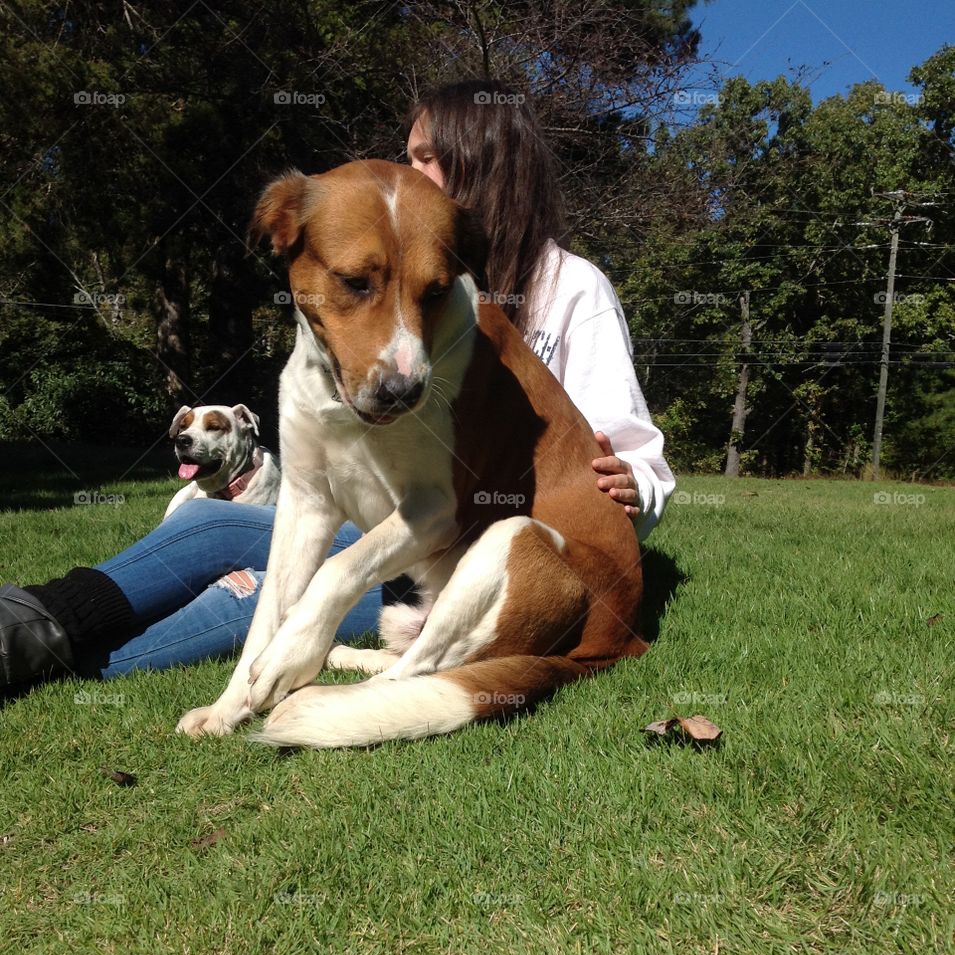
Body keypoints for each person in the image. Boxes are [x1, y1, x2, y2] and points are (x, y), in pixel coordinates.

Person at [0, 80, 675, 694]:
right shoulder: (383, 259)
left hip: (470, 558)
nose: (408, 177)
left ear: (489, 165)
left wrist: (633, 480)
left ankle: (63, 661)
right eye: (408, 156)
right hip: (383, 522)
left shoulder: (571, 286)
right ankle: (30, 620)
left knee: (256, 593)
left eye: (429, 159)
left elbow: (631, 451)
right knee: (209, 520)